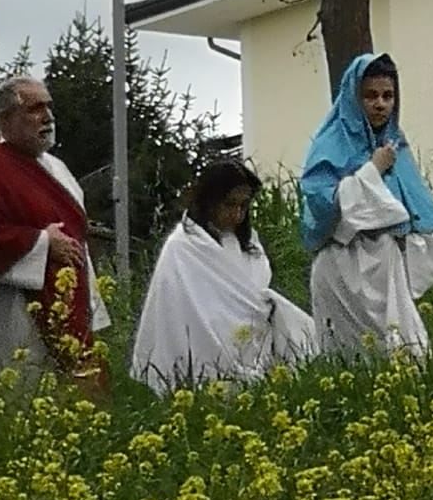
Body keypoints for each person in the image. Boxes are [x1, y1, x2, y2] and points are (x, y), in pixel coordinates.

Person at [0, 75, 109, 382]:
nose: (48, 117)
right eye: (34, 108)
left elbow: (77, 240)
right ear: (5, 119)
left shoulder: (59, 169)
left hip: (65, 306)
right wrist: (41, 243)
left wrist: (91, 308)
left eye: (48, 107)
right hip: (12, 313)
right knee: (17, 390)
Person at [299, 52, 433, 360]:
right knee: (351, 360)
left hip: (386, 266)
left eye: (387, 96)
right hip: (342, 268)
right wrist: (372, 170)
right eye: (370, 96)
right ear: (353, 98)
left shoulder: (395, 146)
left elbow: (415, 210)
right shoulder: (329, 145)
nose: (380, 104)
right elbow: (324, 206)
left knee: (407, 354)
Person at [130, 159, 318, 392]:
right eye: (229, 204)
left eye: (243, 206)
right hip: (198, 350)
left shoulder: (249, 243)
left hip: (254, 352)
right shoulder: (182, 247)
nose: (237, 214)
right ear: (210, 201)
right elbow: (183, 310)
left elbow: (251, 298)